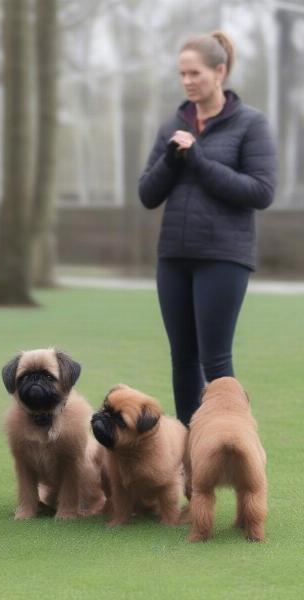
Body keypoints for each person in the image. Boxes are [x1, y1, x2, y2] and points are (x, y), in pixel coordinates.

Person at [138, 31, 277, 426]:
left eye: (195, 73)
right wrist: (173, 157)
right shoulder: (173, 125)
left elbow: (261, 191)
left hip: (224, 257)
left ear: (220, 71)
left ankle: (228, 442)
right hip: (174, 258)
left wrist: (197, 159)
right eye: (182, 74)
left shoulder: (250, 124)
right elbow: (148, 194)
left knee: (215, 359)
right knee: (182, 358)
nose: (187, 81)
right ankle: (191, 454)